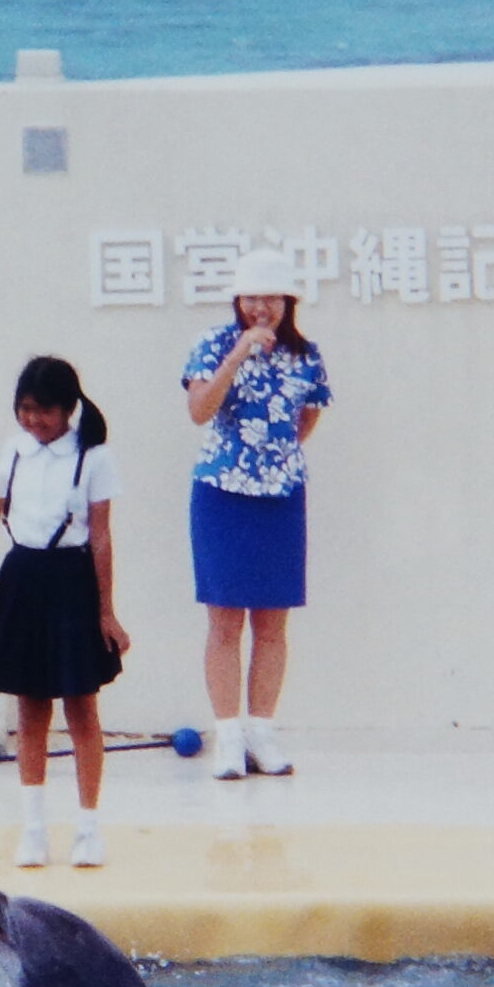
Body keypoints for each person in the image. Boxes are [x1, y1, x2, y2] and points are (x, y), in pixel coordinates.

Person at [0, 356, 130, 868]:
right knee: (30, 707)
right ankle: (34, 827)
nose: (33, 421)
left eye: (43, 411)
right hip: (22, 576)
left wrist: (106, 611)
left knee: (82, 707)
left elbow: (103, 537)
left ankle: (88, 827)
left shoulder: (94, 458)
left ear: (69, 409)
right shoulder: (15, 452)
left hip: (73, 579)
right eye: (24, 410)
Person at [182, 247, 332, 780]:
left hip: (282, 496)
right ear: (237, 300)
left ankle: (261, 731)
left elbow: (306, 420)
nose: (260, 307)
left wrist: (274, 460)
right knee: (224, 621)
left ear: (288, 301)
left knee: (272, 623)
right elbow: (200, 410)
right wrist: (238, 355)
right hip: (221, 494)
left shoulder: (307, 355)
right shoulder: (213, 344)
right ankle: (226, 734)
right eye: (250, 297)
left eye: (270, 297)